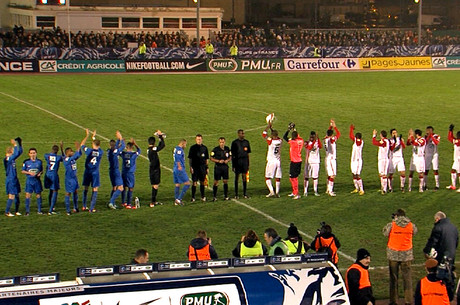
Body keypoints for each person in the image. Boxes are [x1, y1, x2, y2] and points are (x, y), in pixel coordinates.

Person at [383, 208, 417, 305]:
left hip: (393, 254)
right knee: (407, 279)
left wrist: (393, 222)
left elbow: (385, 233)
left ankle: (394, 301)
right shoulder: (411, 225)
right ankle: (409, 301)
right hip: (406, 255)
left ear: (397, 216)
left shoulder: (392, 225)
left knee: (393, 279)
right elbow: (415, 232)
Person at [423, 211, 458, 300]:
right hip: (451, 254)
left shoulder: (438, 227)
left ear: (438, 219)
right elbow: (456, 242)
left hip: (440, 255)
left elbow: (432, 242)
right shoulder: (453, 227)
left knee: (439, 276)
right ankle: (449, 295)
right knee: (449, 274)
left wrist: (426, 251)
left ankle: (439, 296)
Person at [63, 130, 89, 215]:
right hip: (69, 179)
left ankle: (75, 207)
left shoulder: (72, 159)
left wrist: (78, 150)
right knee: (68, 193)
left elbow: (78, 155)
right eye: (71, 151)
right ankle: (68, 210)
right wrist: (78, 148)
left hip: (74, 178)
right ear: (68, 153)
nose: (72, 152)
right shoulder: (67, 159)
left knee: (75, 192)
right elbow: (74, 156)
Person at [82, 130, 103, 212]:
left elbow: (82, 145)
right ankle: (91, 208)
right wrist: (93, 137)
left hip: (87, 171)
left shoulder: (89, 151)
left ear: (93, 144)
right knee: (95, 189)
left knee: (86, 188)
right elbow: (98, 147)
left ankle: (84, 206)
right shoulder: (101, 152)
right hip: (95, 173)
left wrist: (87, 136)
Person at [283, 123, 303, 200]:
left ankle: (297, 193)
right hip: (299, 161)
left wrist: (288, 129)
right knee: (295, 178)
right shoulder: (300, 140)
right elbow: (297, 135)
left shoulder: (293, 142)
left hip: (294, 162)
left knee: (292, 178)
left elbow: (284, 137)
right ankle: (294, 192)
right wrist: (294, 129)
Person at [22, 148, 44, 215]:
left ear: (36, 153)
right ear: (29, 154)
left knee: (38, 195)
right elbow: (22, 171)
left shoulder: (39, 162)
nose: (32, 154)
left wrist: (40, 173)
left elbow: (41, 170)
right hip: (29, 181)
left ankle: (39, 210)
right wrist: (29, 173)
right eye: (31, 153)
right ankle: (27, 211)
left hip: (37, 181)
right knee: (28, 195)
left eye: (34, 153)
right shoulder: (26, 162)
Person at [4, 137, 23, 217]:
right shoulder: (7, 159)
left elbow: (19, 152)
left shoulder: (12, 159)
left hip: (15, 179)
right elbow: (16, 153)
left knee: (17, 194)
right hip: (11, 179)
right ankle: (7, 211)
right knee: (11, 195)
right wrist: (15, 145)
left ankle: (16, 211)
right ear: (11, 151)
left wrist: (20, 143)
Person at [107, 130, 125, 209]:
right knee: (121, 188)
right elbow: (123, 146)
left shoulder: (109, 151)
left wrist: (118, 140)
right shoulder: (115, 151)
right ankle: (111, 202)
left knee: (114, 187)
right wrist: (120, 137)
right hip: (116, 171)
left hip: (111, 171)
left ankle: (112, 203)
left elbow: (116, 146)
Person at [188, 134, 209, 202]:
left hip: (202, 167)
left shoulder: (205, 148)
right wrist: (191, 167)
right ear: (195, 140)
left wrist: (207, 168)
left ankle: (203, 196)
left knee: (202, 182)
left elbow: (206, 159)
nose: (199, 141)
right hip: (195, 167)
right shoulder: (192, 148)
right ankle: (193, 197)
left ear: (202, 139)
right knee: (194, 182)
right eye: (197, 139)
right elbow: (190, 158)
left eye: (200, 139)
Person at [262, 124, 282, 198]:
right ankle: (277, 192)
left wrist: (268, 127)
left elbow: (264, 133)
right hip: (278, 161)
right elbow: (276, 136)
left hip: (271, 161)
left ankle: (272, 192)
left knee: (267, 177)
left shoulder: (271, 141)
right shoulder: (280, 140)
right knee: (278, 177)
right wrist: (272, 129)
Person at [44, 144, 63, 214]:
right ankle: (51, 210)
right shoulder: (58, 157)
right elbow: (63, 158)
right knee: (55, 191)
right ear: (57, 151)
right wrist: (61, 148)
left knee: (51, 190)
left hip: (47, 174)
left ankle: (51, 206)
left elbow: (47, 156)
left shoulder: (47, 156)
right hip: (54, 175)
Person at [210, 137, 231, 201]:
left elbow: (230, 156)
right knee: (216, 182)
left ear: (225, 142)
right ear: (219, 142)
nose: (222, 143)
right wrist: (218, 161)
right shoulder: (215, 149)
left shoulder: (227, 149)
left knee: (225, 181)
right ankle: (214, 196)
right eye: (220, 142)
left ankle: (226, 196)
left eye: (223, 142)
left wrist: (228, 160)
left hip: (225, 167)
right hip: (218, 167)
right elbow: (211, 158)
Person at [121, 139, 141, 209]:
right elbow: (139, 150)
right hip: (130, 173)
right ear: (132, 148)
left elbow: (118, 151)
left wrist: (121, 143)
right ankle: (129, 204)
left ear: (126, 147)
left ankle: (123, 202)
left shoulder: (123, 154)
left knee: (124, 188)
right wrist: (135, 144)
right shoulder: (133, 154)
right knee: (130, 188)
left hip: (123, 173)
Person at [231, 129, 251, 199]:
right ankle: (236, 194)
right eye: (242, 133)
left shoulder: (246, 142)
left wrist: (248, 163)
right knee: (237, 177)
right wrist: (233, 165)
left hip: (244, 161)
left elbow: (248, 153)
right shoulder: (235, 143)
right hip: (237, 161)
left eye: (243, 133)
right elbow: (232, 155)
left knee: (244, 177)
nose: (243, 135)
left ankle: (245, 193)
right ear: (238, 134)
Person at [147, 130, 165, 207]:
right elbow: (162, 145)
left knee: (154, 185)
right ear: (154, 143)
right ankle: (152, 202)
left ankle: (153, 201)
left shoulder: (148, 149)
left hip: (151, 168)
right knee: (156, 185)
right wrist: (160, 137)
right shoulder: (153, 149)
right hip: (155, 169)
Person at [324, 119, 340, 196]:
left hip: (327, 158)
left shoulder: (325, 139)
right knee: (333, 175)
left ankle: (328, 189)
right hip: (331, 159)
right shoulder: (331, 140)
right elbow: (339, 134)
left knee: (329, 175)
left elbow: (328, 132)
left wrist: (331, 125)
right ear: (332, 135)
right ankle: (330, 191)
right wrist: (335, 126)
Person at [304, 131, 322, 197]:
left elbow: (320, 146)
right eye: (311, 136)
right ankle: (305, 191)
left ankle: (315, 191)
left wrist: (318, 139)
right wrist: (314, 141)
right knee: (306, 177)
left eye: (313, 136)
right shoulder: (307, 142)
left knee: (315, 177)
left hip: (316, 162)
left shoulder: (317, 142)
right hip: (309, 162)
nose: (312, 138)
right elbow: (309, 148)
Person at [372, 129, 390, 194]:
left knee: (383, 174)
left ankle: (384, 189)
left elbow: (374, 143)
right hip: (384, 159)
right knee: (382, 174)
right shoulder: (387, 141)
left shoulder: (384, 141)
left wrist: (374, 135)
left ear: (381, 135)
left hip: (383, 160)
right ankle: (383, 188)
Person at [173, 139, 190, 206]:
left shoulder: (176, 148)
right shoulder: (180, 150)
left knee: (177, 184)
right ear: (183, 143)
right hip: (179, 169)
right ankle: (179, 199)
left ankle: (176, 200)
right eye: (185, 144)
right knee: (187, 184)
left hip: (175, 169)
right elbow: (177, 157)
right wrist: (179, 166)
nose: (185, 146)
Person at [424, 126, 440, 190]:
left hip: (434, 154)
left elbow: (436, 142)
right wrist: (429, 136)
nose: (428, 132)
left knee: (435, 169)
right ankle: (425, 185)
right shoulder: (425, 137)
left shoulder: (436, 136)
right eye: (427, 130)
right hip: (427, 154)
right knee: (426, 170)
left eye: (430, 130)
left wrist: (431, 136)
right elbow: (426, 142)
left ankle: (437, 185)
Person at [349, 125, 364, 195]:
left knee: (358, 175)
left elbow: (351, 136)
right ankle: (356, 188)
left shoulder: (360, 142)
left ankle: (362, 189)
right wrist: (351, 129)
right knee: (353, 174)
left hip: (358, 161)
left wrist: (351, 129)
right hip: (353, 160)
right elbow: (351, 136)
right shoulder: (356, 141)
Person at [446, 124, 460, 191]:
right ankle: (453, 185)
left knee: (459, 173)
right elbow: (450, 138)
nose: (456, 136)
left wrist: (450, 130)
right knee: (453, 171)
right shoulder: (457, 141)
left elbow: (451, 139)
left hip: (459, 159)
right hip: (456, 160)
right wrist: (450, 131)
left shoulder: (458, 141)